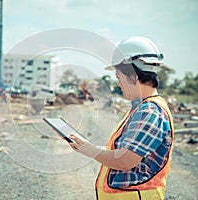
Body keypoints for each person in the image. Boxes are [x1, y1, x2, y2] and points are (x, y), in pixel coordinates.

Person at [69, 36, 174, 200]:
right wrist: (87, 146)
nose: (118, 84)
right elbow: (124, 151)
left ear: (134, 76)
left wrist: (90, 151)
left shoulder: (150, 111)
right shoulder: (142, 107)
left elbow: (125, 160)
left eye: (118, 77)